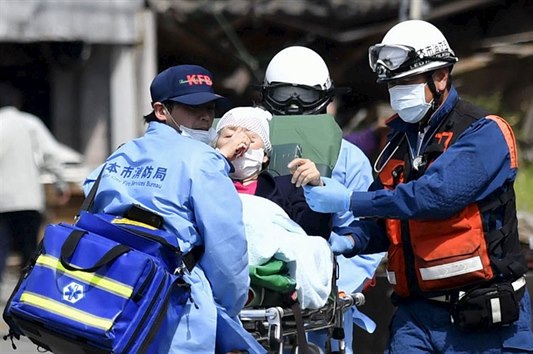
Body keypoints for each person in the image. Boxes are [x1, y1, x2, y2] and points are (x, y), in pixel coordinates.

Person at [303, 20, 533, 353]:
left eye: (408, 82)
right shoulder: (397, 142)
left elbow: (435, 197)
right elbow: (392, 222)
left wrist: (348, 200)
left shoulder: (484, 133)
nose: (398, 93)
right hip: (415, 318)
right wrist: (350, 240)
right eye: (393, 85)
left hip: (483, 317)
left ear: (441, 77)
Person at [83, 65, 264, 354]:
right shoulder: (204, 162)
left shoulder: (121, 153)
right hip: (174, 317)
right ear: (160, 110)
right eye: (193, 108)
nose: (206, 116)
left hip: (104, 300)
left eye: (210, 107)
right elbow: (227, 253)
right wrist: (228, 310)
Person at [260, 46, 384, 352]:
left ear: (325, 99)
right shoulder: (248, 149)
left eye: (303, 96)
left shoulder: (348, 157)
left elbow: (365, 233)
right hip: (258, 305)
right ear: (265, 96)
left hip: (323, 312)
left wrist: (330, 289)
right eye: (283, 94)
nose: (292, 105)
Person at [214, 106, 332, 238]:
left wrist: (316, 190)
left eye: (251, 139)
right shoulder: (201, 184)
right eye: (229, 137)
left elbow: (314, 234)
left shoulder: (288, 186)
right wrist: (216, 161)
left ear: (265, 155)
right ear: (214, 148)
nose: (241, 144)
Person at [0, 83, 70, 287]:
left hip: (1, 201)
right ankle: (27, 291)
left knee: (1, 248)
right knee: (28, 248)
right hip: (27, 198)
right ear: (16, 102)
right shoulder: (29, 123)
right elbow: (51, 154)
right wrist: (61, 184)